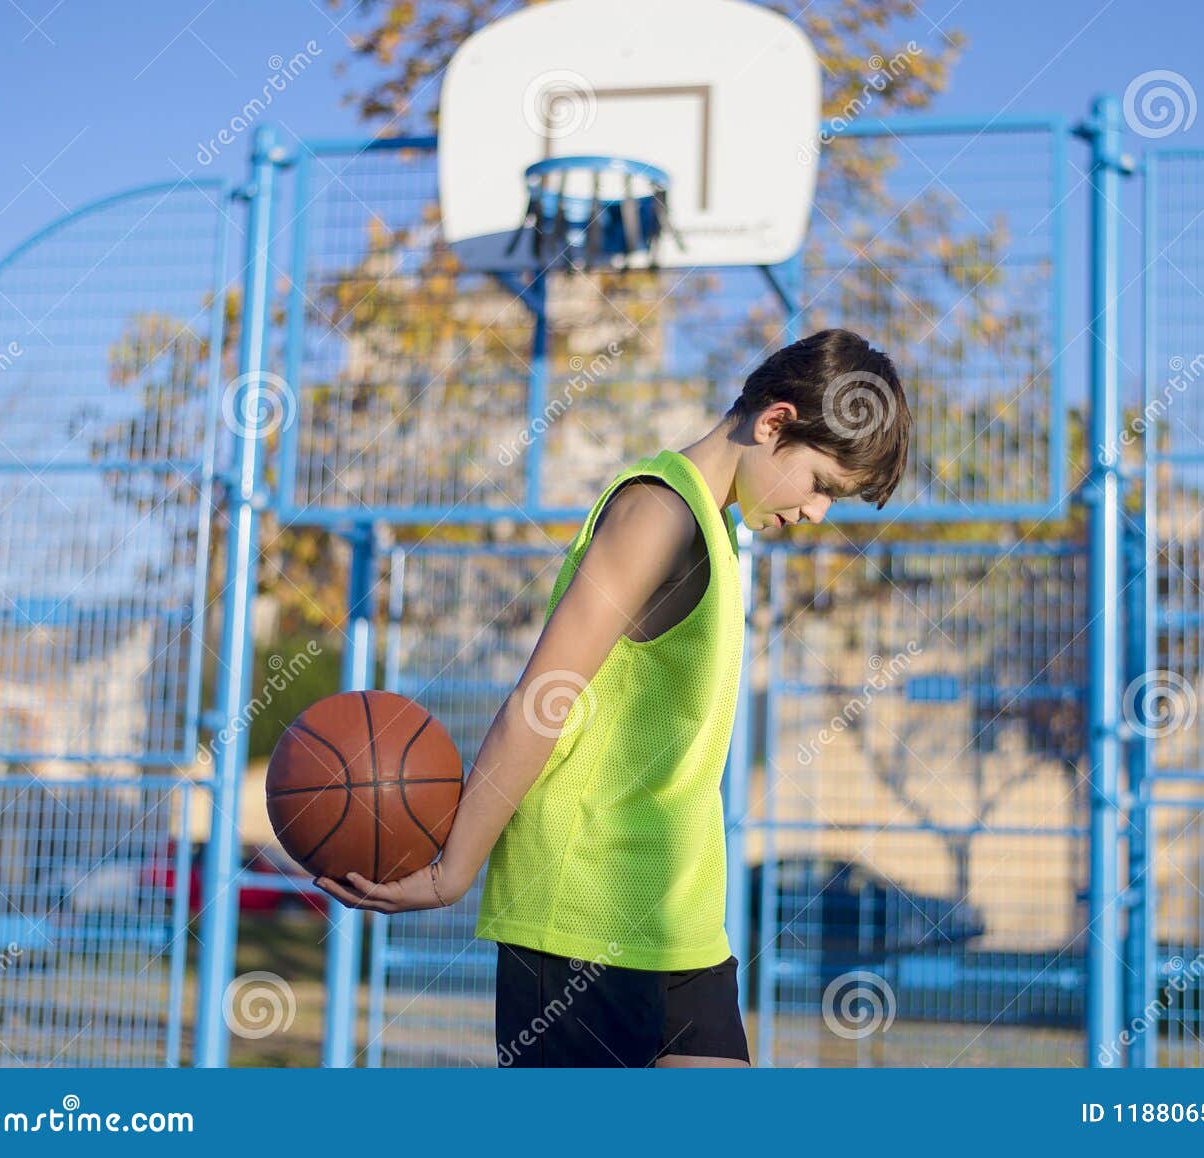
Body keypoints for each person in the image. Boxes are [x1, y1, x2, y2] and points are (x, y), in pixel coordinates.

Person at [316, 328, 912, 1066]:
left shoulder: (717, 533)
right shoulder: (657, 516)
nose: (820, 513)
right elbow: (544, 697)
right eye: (822, 484)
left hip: (677, 921)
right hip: (581, 916)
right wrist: (454, 868)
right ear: (775, 424)